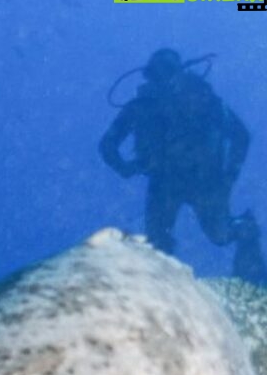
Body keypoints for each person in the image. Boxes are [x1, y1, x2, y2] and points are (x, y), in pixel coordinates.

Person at [99, 48, 266, 284]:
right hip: (167, 182)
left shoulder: (203, 100)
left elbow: (241, 136)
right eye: (158, 74)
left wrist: (228, 178)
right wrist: (125, 167)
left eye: (167, 72)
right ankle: (162, 295)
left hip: (204, 181)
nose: (164, 79)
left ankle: (246, 235)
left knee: (218, 234)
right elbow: (107, 144)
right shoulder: (142, 107)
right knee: (157, 246)